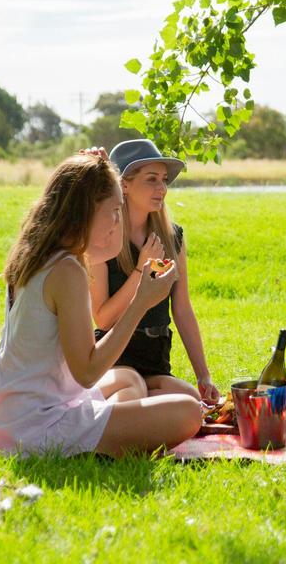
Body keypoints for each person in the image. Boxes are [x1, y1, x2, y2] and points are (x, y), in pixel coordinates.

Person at [0, 150, 202, 456]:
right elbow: (88, 372)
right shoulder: (68, 271)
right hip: (36, 428)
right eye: (114, 211)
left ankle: (111, 433)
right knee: (189, 411)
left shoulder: (43, 254)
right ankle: (103, 443)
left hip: (6, 418)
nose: (118, 222)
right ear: (85, 211)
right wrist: (140, 302)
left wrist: (96, 167)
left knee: (129, 378)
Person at [87, 139, 220, 403]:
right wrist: (140, 271)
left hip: (155, 357)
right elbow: (103, 319)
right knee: (133, 390)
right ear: (124, 185)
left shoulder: (171, 237)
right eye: (151, 180)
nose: (162, 188)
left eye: (163, 180)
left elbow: (182, 309)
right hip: (115, 356)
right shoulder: (105, 237)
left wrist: (203, 375)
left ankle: (132, 404)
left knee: (191, 399)